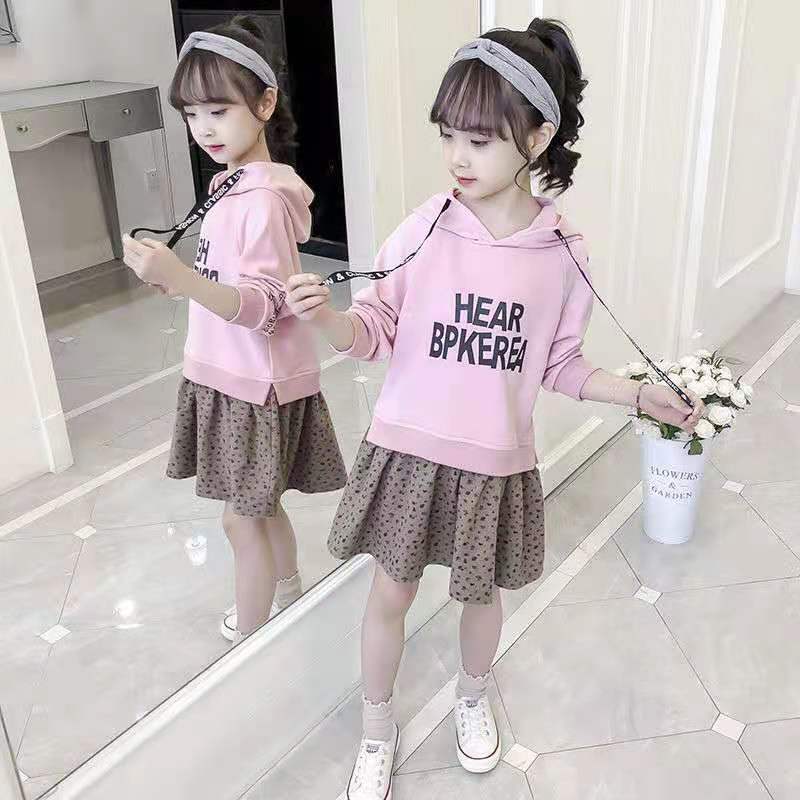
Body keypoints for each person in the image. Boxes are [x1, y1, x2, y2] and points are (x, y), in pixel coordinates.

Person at [286, 18, 705, 799]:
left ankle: (472, 698)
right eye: (448, 135)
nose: (457, 156)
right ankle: (377, 729)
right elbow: (374, 330)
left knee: (480, 596)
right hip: (408, 453)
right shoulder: (427, 226)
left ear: (537, 138)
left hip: (493, 464)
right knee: (390, 595)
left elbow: (560, 364)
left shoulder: (564, 253)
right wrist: (328, 321)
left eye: (478, 140)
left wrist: (637, 394)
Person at [122, 15, 346, 644]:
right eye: (192, 115)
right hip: (231, 375)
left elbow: (266, 306)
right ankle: (289, 591)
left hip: (255, 385)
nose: (204, 129)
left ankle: (249, 644)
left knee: (239, 521)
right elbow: (226, 283)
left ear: (265, 104)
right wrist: (177, 277)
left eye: (218, 111)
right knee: (259, 509)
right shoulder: (232, 186)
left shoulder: (262, 201)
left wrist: (184, 279)